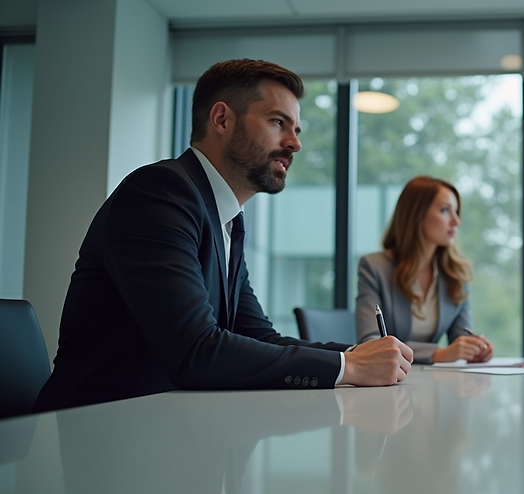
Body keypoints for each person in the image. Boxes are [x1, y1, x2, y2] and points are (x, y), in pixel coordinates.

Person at [33, 59, 413, 413]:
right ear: (221, 119)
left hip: (162, 425)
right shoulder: (160, 193)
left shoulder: (224, 218)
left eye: (296, 130)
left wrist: (361, 354)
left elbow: (259, 337)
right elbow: (196, 351)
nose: (295, 143)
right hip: (93, 429)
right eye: (278, 122)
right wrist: (348, 366)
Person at [355, 176, 493, 364]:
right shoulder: (374, 267)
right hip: (389, 377)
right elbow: (369, 342)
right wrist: (437, 354)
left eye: (456, 212)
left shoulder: (456, 274)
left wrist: (475, 348)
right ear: (416, 215)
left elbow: (460, 339)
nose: (456, 221)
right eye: (445, 210)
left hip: (431, 378)